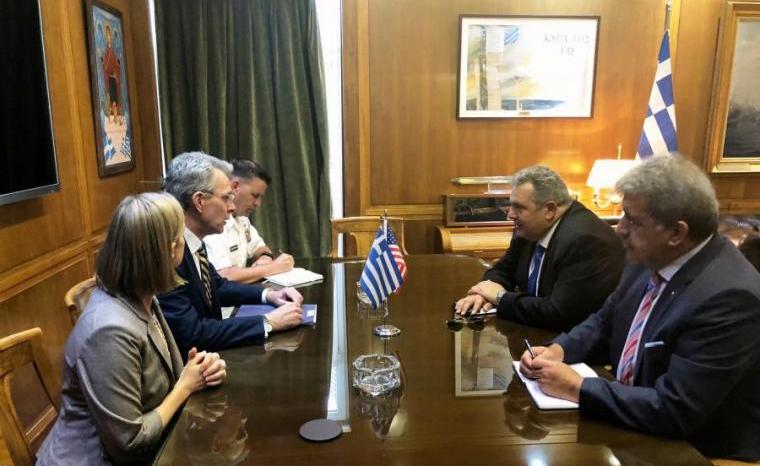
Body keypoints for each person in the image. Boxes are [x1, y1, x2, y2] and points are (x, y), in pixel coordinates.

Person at [519, 155, 760, 461]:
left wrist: (579, 387)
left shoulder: (729, 297)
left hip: (698, 450)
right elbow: (604, 320)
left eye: (632, 220)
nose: (620, 229)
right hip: (632, 422)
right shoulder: (649, 257)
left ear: (676, 233)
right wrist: (559, 350)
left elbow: (675, 409)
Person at [37, 193, 227, 466]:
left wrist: (197, 371)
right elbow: (130, 443)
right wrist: (185, 386)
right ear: (170, 250)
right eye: (181, 235)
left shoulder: (143, 296)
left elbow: (161, 378)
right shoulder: (108, 332)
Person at [158, 152, 303, 358]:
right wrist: (269, 322)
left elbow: (217, 286)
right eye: (226, 198)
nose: (232, 207)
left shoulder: (194, 241)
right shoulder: (169, 254)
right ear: (199, 201)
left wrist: (268, 295)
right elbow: (192, 334)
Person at [455, 165, 625, 331]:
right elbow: (504, 269)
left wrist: (501, 297)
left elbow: (558, 314)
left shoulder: (585, 241)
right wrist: (482, 293)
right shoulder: (530, 227)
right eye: (511, 205)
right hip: (530, 332)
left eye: (519, 207)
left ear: (549, 210)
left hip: (565, 341)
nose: (510, 215)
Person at [204, 159, 294, 285]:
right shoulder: (213, 222)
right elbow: (224, 276)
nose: (258, 203)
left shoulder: (242, 219)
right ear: (235, 187)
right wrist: (275, 267)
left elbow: (259, 247)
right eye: (255, 195)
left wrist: (265, 257)